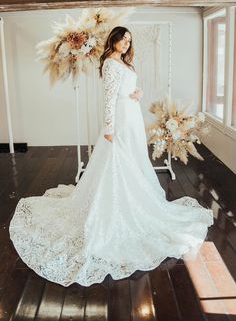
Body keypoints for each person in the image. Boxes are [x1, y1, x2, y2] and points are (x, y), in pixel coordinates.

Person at [9, 26, 214, 287]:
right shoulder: (109, 63)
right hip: (118, 120)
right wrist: (108, 127)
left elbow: (125, 91)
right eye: (122, 39)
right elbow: (108, 97)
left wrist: (136, 94)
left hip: (131, 116)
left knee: (133, 159)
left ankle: (135, 196)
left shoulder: (124, 63)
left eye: (129, 40)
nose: (126, 43)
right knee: (117, 161)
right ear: (113, 40)